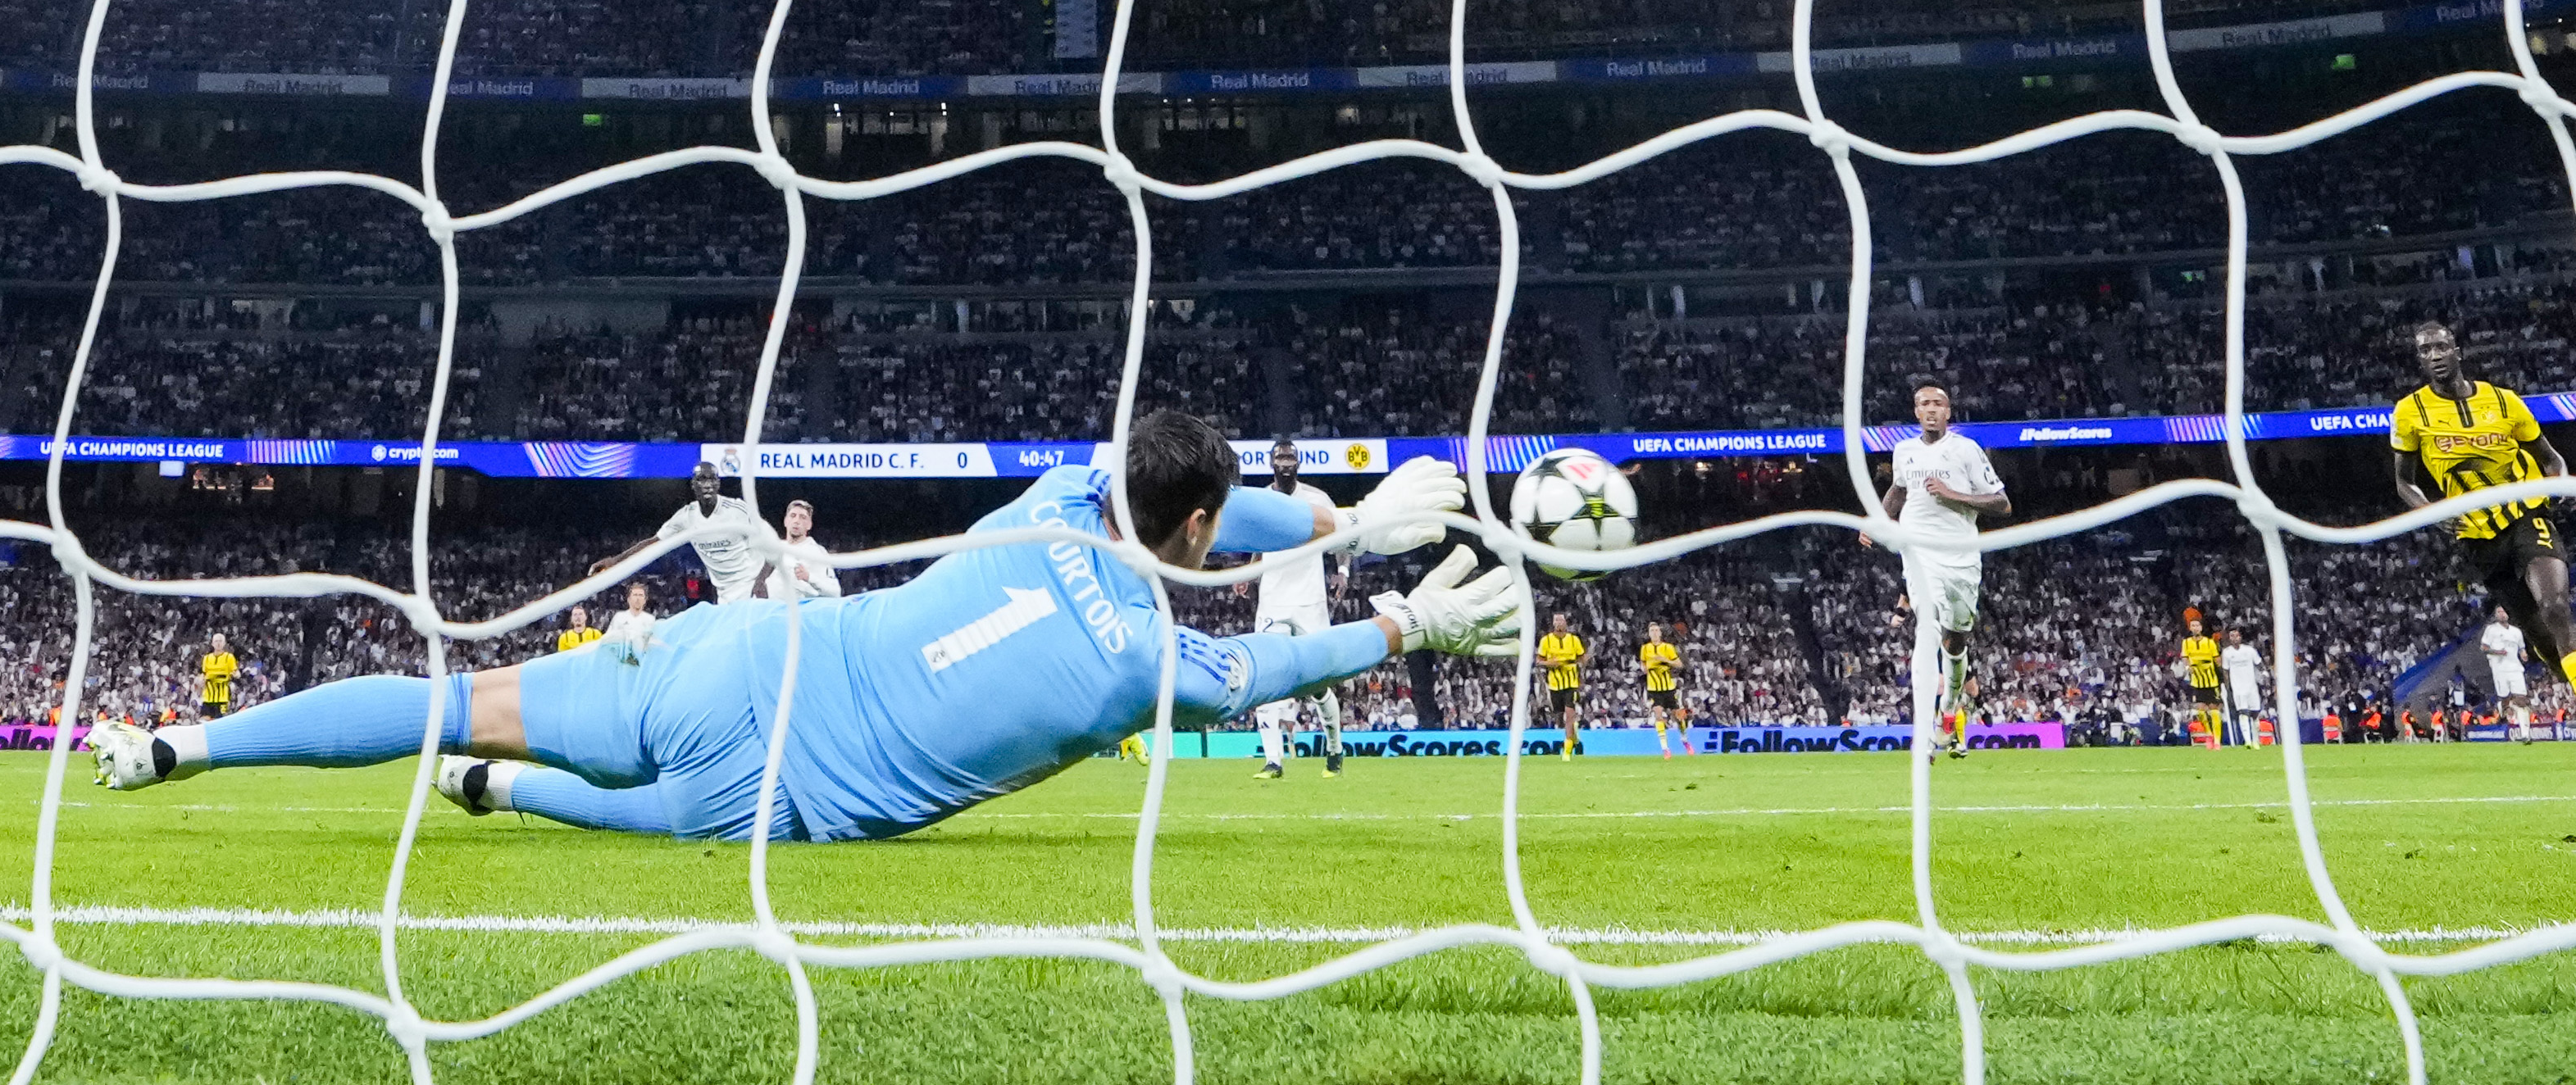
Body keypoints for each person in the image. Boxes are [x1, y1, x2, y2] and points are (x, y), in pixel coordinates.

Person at [82, 418, 1509, 842]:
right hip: (767, 792)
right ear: (1199, 530)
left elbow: (1198, 503)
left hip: (732, 653)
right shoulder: (1145, 662)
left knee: (450, 694)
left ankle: (176, 743)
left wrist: (1331, 520)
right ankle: (510, 794)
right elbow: (1272, 661)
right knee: (599, 804)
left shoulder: (1055, 495)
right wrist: (1410, 610)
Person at [2390, 321, 2576, 692]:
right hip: (2478, 536)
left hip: (2526, 514)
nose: (2435, 356)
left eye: (2441, 347)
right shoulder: (2410, 412)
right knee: (2537, 632)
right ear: (2420, 361)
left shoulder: (2504, 400)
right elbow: (2404, 481)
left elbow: (2550, 457)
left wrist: (2558, 485)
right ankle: (2566, 678)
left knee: (2555, 606)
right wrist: (2432, 511)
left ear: (2457, 351)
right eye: (2426, 351)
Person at [1885, 384, 2009, 760]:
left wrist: (1954, 495)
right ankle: (1922, 734)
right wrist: (1876, 520)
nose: (1932, 410)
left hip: (1961, 556)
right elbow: (1898, 489)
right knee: (1927, 631)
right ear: (1916, 411)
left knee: (1956, 644)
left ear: (1949, 412)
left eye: (1938, 404)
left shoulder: (1965, 450)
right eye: (1925, 404)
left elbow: (2001, 504)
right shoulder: (1903, 451)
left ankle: (1948, 710)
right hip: (1919, 551)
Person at [1249, 436, 1345, 782]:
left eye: (1291, 456)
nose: (1286, 462)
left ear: (1298, 463)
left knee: (1319, 684)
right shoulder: (1261, 500)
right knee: (1265, 679)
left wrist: (1343, 571)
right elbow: (1258, 544)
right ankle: (1273, 761)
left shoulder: (1317, 500)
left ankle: (1335, 752)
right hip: (1273, 599)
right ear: (1272, 463)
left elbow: (1342, 536)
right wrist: (1248, 572)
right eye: (1280, 457)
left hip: (1310, 600)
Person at [594, 461, 767, 605]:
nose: (707, 484)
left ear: (718, 483)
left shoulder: (737, 510)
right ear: (693, 485)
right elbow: (653, 542)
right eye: (701, 479)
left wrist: (762, 581)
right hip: (726, 595)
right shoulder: (686, 517)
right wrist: (616, 560)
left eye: (711, 479)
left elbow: (772, 544)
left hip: (755, 585)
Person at [755, 500, 843, 603]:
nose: (797, 521)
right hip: (768, 610)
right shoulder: (775, 548)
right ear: (786, 521)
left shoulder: (816, 553)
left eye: (803, 517)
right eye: (793, 516)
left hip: (798, 613)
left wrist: (809, 577)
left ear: (809, 525)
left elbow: (835, 593)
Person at [1536, 611, 1585, 757]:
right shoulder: (1546, 641)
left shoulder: (1574, 640)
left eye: (1561, 620)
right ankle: (1573, 734)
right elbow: (1539, 661)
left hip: (1571, 682)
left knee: (1570, 715)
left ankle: (1567, 752)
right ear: (1553, 623)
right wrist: (1550, 663)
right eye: (1556, 620)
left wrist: (1581, 673)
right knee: (1559, 717)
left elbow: (1582, 658)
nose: (1559, 623)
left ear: (1566, 623)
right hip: (1554, 683)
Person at [2481, 605, 2532, 734]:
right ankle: (2503, 705)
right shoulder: (2491, 630)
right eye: (2499, 612)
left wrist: (2523, 654)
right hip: (2499, 669)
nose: (2502, 614)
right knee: (2505, 698)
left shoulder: (2516, 632)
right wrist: (2497, 652)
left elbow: (2521, 647)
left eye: (2504, 611)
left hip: (2515, 667)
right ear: (2496, 616)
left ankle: (2525, 734)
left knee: (2522, 700)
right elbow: (2484, 647)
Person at [1639, 622, 1684, 758]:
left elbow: (1680, 664)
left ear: (1660, 633)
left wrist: (1665, 660)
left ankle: (1684, 738)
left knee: (1678, 715)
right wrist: (1643, 668)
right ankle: (1665, 749)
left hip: (1668, 688)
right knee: (1658, 715)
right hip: (1654, 688)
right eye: (1651, 630)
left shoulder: (1668, 648)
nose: (1654, 633)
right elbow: (1642, 662)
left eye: (1656, 630)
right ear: (1649, 634)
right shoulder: (1645, 648)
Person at [2179, 609, 2223, 744]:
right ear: (2190, 628)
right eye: (2193, 626)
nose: (2195, 628)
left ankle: (2217, 741)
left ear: (2201, 627)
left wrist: (2221, 675)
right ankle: (2209, 734)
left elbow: (2217, 659)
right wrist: (2188, 668)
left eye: (2197, 625)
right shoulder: (2186, 643)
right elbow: (2185, 658)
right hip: (2197, 680)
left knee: (2214, 709)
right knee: (2200, 710)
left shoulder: (2209, 642)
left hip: (2211, 679)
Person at [2218, 626, 2264, 748]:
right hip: (2238, 688)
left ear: (2240, 637)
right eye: (2232, 636)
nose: (2234, 638)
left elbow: (2259, 664)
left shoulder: (2250, 651)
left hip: (2251, 687)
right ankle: (2247, 741)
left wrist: (2265, 676)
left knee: (2254, 714)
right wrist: (2228, 689)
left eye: (2236, 636)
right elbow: (2226, 671)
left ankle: (2256, 740)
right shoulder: (2227, 653)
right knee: (2243, 713)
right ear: (2229, 638)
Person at [198, 633, 238, 721]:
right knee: (204, 719)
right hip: (209, 694)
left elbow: (234, 671)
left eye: (220, 641)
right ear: (212, 644)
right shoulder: (207, 658)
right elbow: (204, 673)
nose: (218, 643)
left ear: (224, 644)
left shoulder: (229, 657)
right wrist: (201, 679)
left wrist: (236, 674)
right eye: (216, 641)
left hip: (222, 694)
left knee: (219, 720)